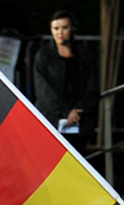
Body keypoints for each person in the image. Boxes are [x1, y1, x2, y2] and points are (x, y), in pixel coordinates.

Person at [33, 10, 99, 148]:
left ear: (73, 29)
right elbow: (43, 90)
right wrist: (66, 112)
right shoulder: (44, 55)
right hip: (51, 120)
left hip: (80, 120)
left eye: (64, 27)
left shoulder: (84, 54)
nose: (60, 32)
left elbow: (92, 86)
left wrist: (79, 110)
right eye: (56, 28)